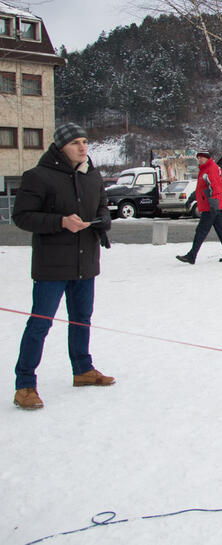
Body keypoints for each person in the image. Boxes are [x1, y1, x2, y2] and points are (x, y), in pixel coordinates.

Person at [12, 123, 115, 410]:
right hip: (52, 267)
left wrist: (103, 220)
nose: (83, 148)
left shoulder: (92, 176)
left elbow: (103, 208)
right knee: (40, 324)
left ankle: (82, 369)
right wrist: (60, 221)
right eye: (75, 143)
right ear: (60, 148)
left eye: (84, 142)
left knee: (81, 319)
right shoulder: (38, 177)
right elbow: (21, 217)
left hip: (86, 263)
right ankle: (25, 385)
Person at [176, 151, 222, 264]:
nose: (199, 160)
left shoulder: (211, 169)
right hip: (209, 205)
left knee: (201, 231)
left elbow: (216, 187)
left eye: (201, 158)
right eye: (198, 158)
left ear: (207, 158)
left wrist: (213, 203)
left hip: (210, 206)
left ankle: (191, 256)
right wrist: (191, 199)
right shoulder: (204, 169)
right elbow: (200, 189)